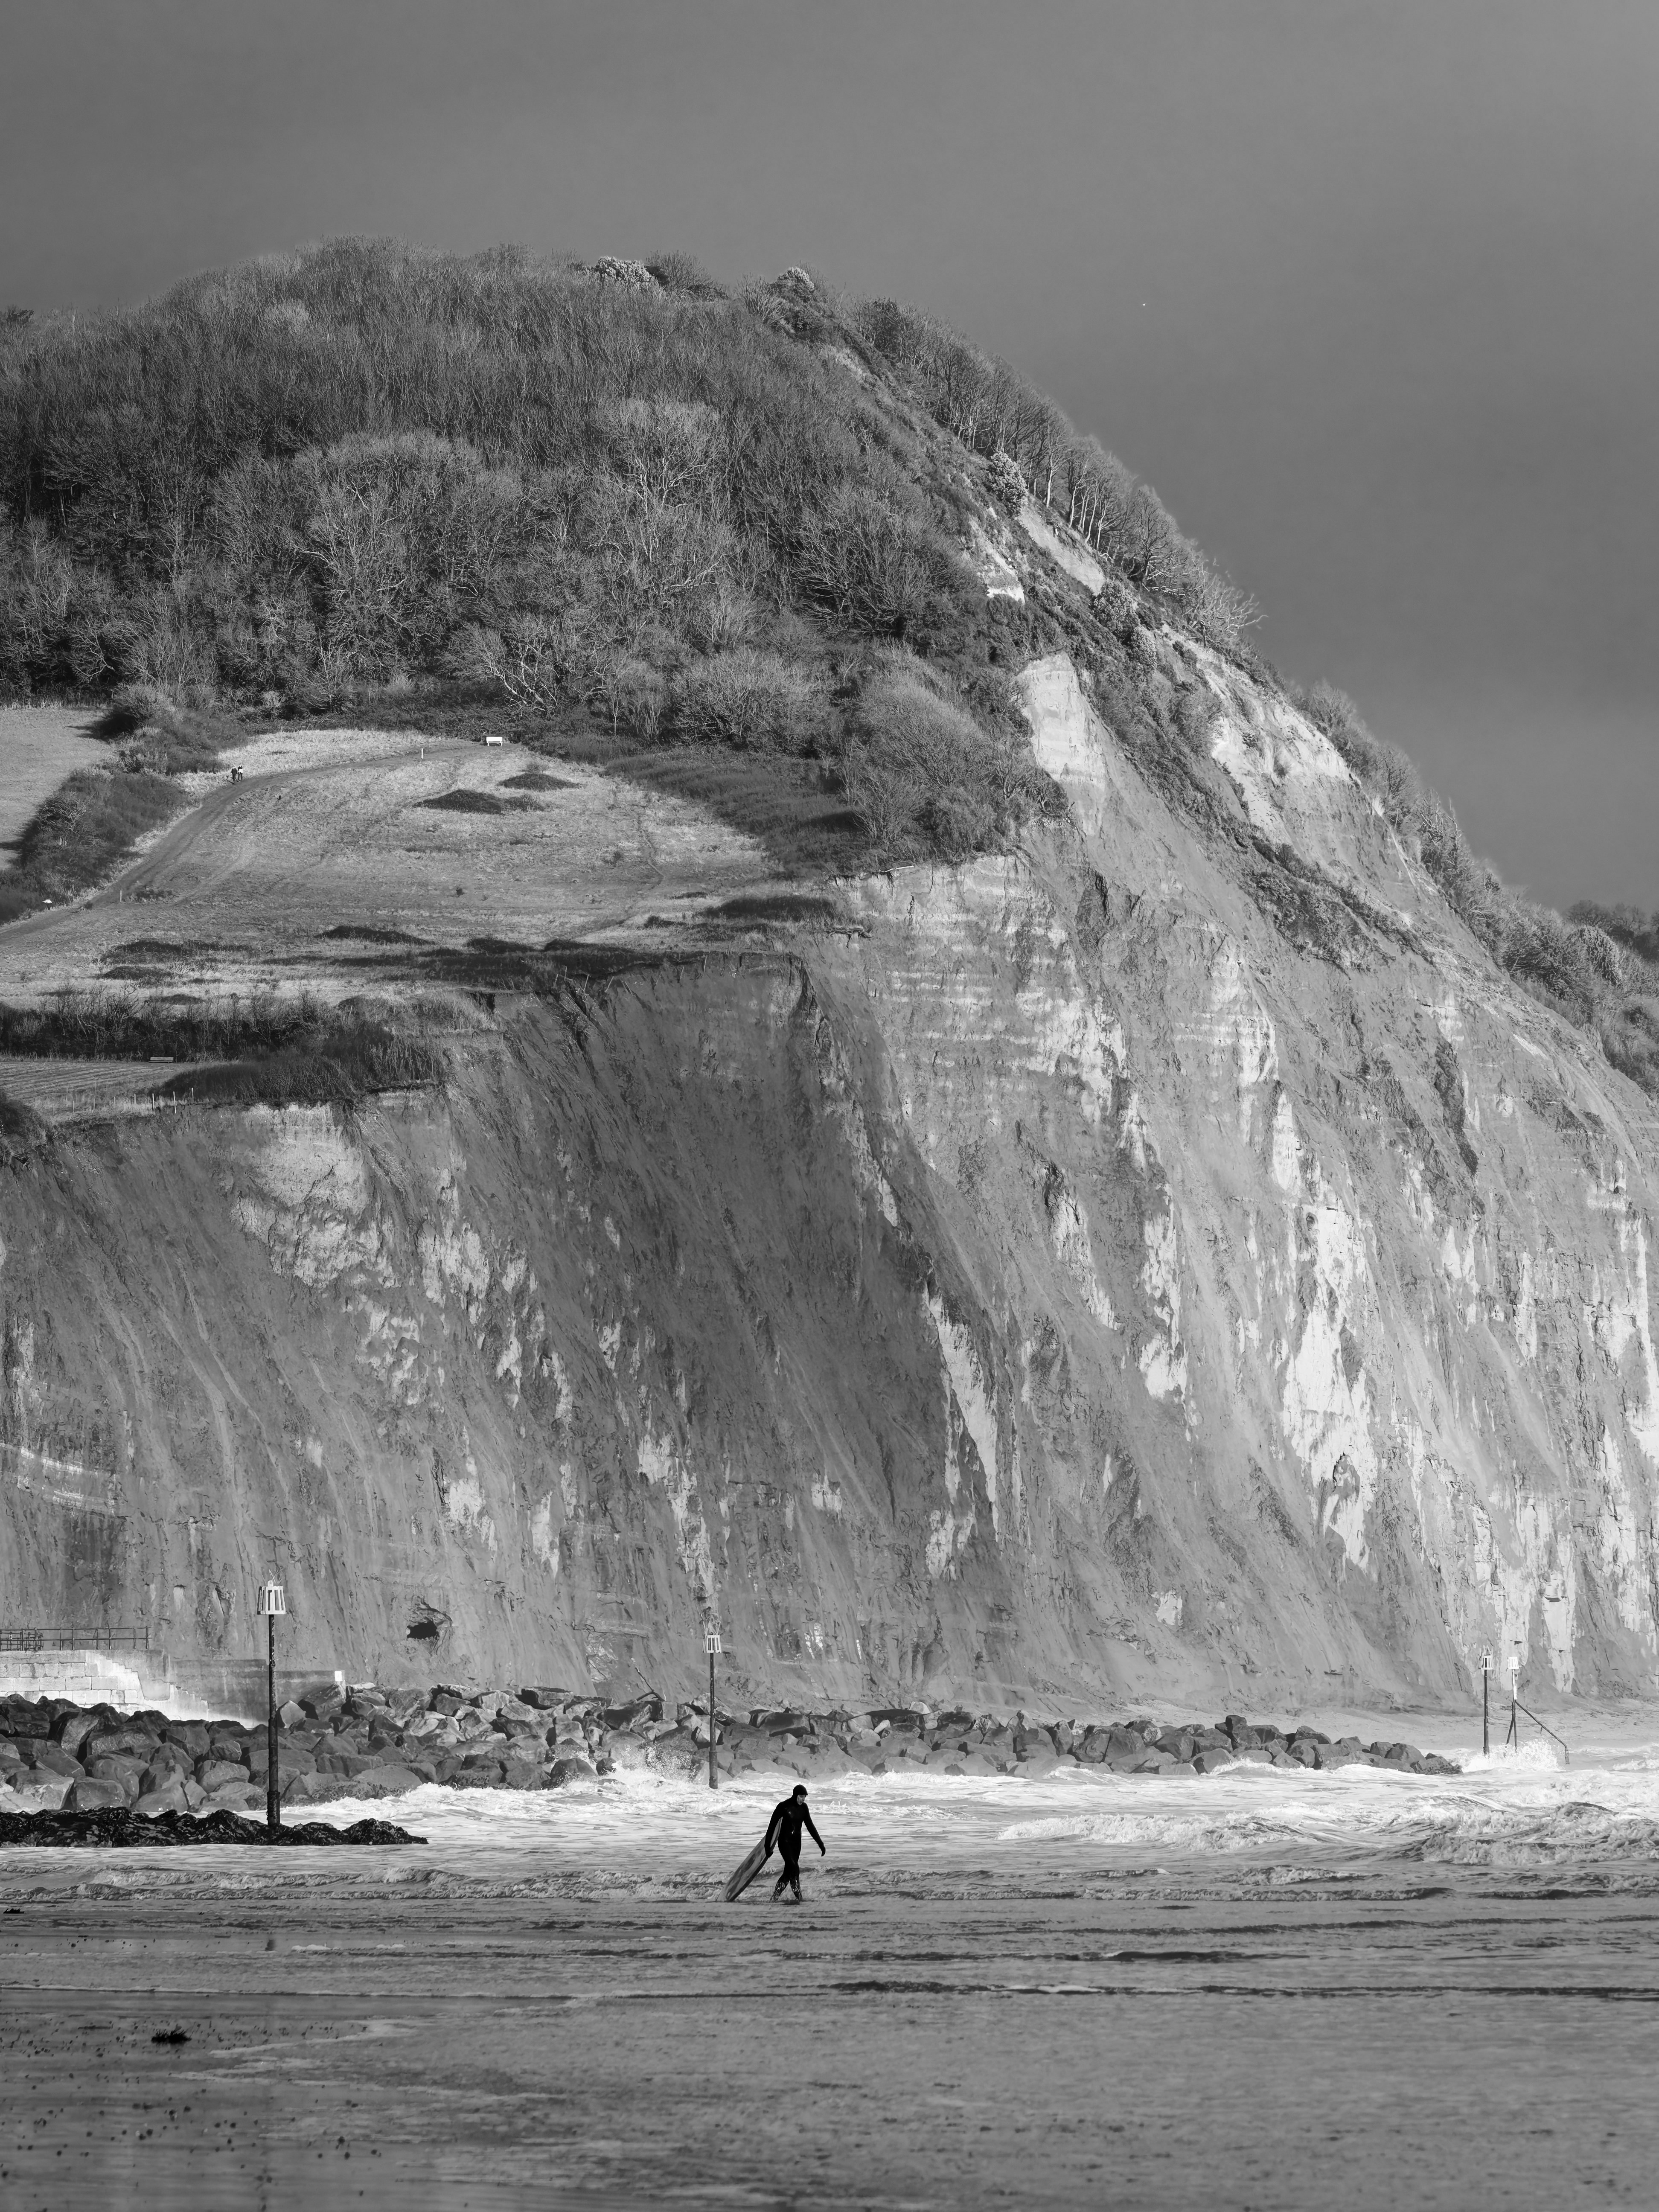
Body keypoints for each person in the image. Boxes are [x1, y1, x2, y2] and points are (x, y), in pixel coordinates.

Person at [765, 1783, 825, 1903]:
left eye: (805, 1798)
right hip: (784, 1841)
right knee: (795, 1868)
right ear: (796, 1795)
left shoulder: (804, 1808)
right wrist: (767, 1846)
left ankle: (775, 1898)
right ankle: (799, 1898)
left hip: (797, 1843)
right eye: (802, 1797)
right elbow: (772, 1827)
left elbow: (810, 1827)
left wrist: (821, 1844)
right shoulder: (783, 1807)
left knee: (788, 1872)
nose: (803, 1800)